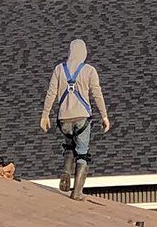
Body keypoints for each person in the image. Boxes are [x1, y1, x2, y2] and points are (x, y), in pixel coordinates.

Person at [40, 38, 109, 197]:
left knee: (69, 145)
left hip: (64, 119)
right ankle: (77, 192)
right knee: (82, 152)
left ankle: (66, 171)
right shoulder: (89, 70)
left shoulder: (59, 69)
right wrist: (104, 116)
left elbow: (51, 93)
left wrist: (45, 115)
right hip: (82, 118)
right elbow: (97, 94)